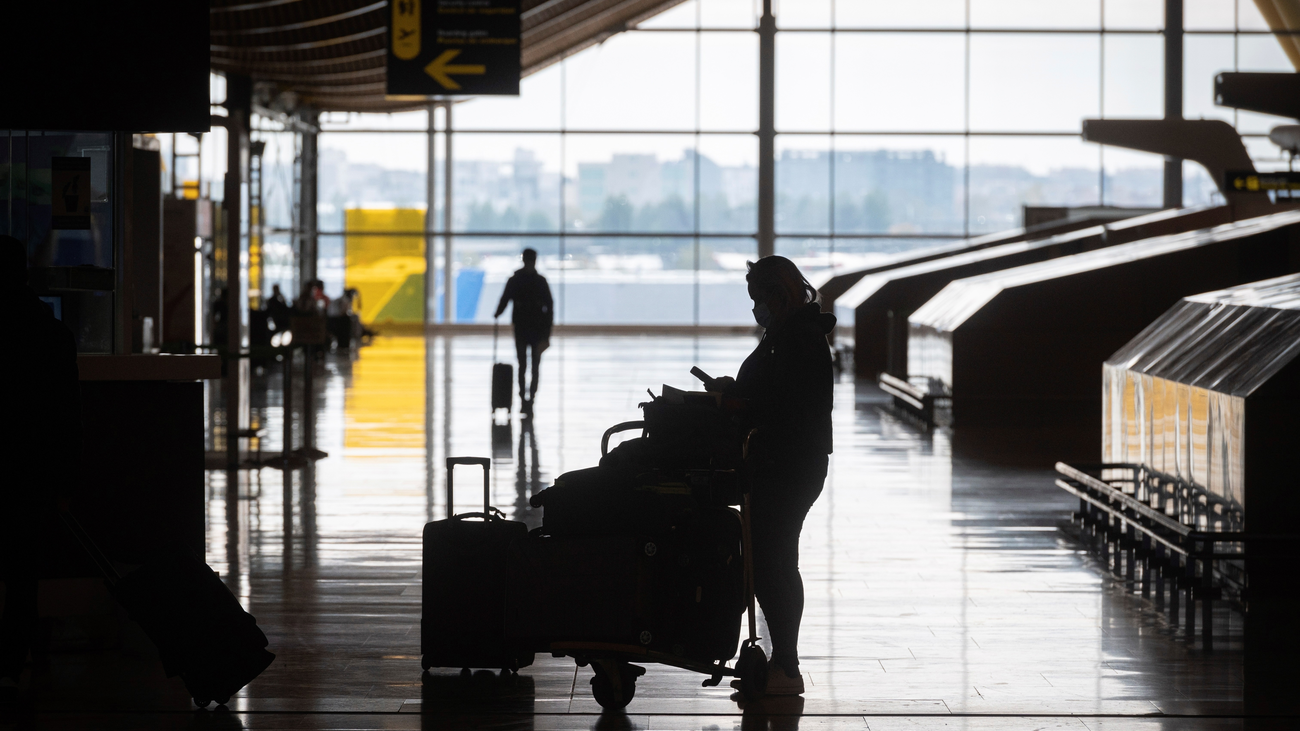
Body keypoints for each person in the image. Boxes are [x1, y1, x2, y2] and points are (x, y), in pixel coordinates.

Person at [706, 255, 834, 696]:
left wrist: (737, 402)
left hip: (788, 465)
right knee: (776, 560)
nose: (755, 308)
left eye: (758, 298)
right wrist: (737, 392)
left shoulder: (798, 339)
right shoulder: (789, 333)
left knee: (771, 563)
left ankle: (788, 667)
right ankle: (784, 663)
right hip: (788, 462)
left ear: (777, 295)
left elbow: (784, 407)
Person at [0, 235, 81, 701]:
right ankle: (11, 664)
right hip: (31, 472)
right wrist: (65, 481)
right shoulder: (52, 334)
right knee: (22, 573)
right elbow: (67, 416)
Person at [493, 248, 553, 413]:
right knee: (533, 365)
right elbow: (549, 307)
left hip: (522, 327)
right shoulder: (540, 281)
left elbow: (505, 299)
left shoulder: (516, 280)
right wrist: (547, 331)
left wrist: (498, 312)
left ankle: (525, 398)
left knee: (523, 365)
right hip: (536, 329)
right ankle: (529, 399)